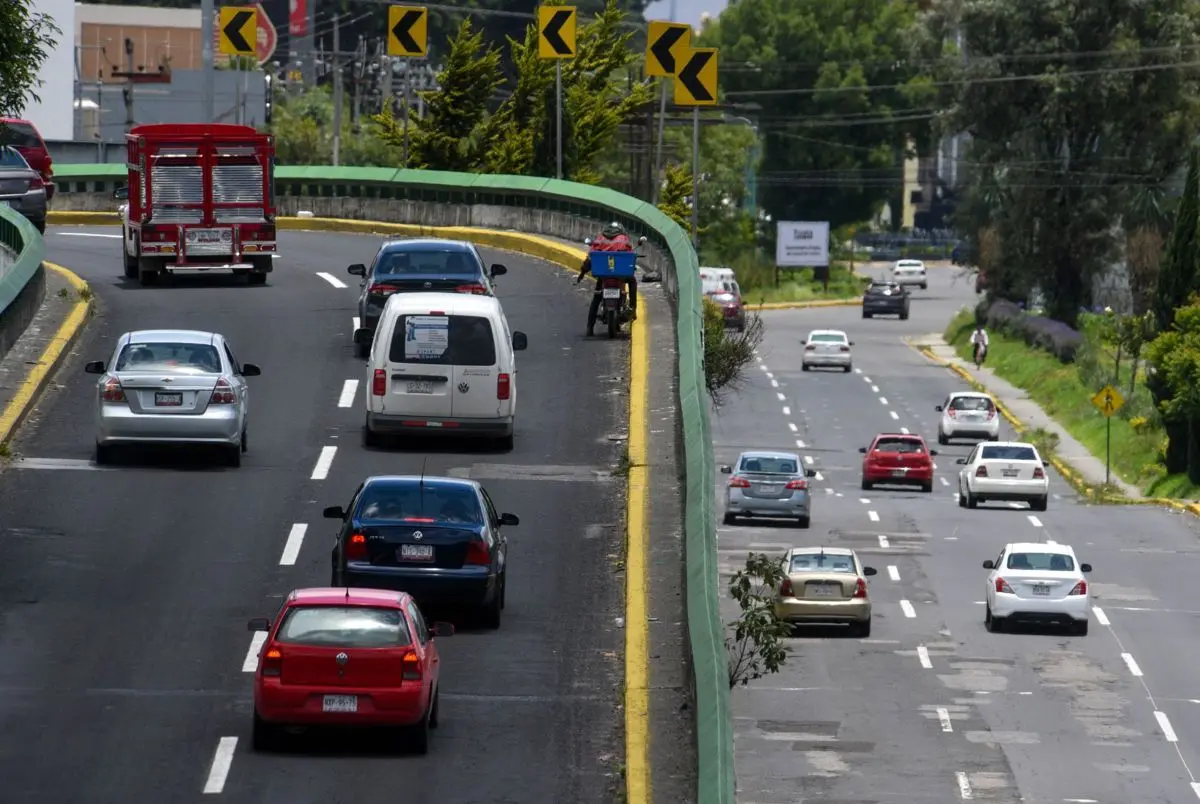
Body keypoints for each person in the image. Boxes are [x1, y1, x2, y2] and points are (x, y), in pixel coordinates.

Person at [575, 221, 638, 336]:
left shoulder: (600, 239)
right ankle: (633, 309)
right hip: (619, 274)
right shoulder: (623, 239)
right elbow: (629, 255)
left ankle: (590, 327)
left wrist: (583, 272)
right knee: (632, 282)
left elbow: (591, 257)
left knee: (596, 298)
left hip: (604, 274)